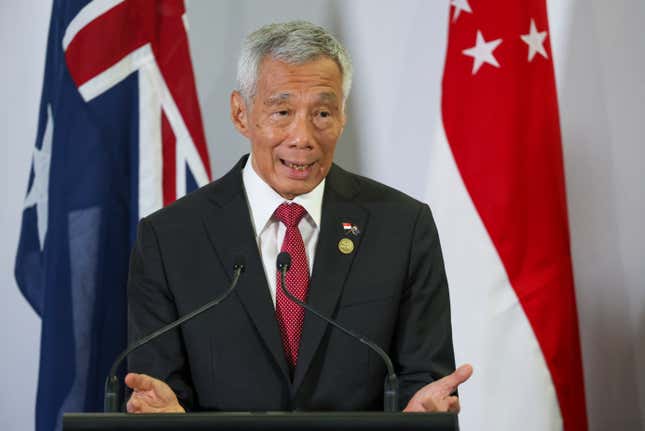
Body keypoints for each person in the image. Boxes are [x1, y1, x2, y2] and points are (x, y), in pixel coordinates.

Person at [125, 20, 472, 414]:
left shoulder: (403, 227)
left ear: (342, 116)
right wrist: (164, 418)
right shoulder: (171, 237)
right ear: (241, 114)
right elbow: (158, 391)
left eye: (322, 113)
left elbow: (423, 381)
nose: (303, 136)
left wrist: (420, 416)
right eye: (283, 111)